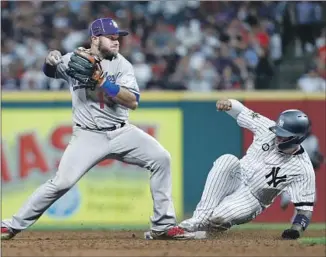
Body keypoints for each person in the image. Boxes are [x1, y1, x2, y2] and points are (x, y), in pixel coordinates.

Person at [1, 18, 194, 240]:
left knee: (161, 158)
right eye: (111, 38)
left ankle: (163, 225)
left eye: (117, 38)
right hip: (88, 135)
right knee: (61, 182)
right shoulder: (73, 59)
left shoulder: (122, 65)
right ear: (95, 39)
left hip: (122, 132)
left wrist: (103, 82)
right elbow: (50, 71)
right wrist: (50, 59)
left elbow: (132, 101)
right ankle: (11, 226)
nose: (116, 41)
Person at [179, 99, 316, 240]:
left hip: (252, 198)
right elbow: (242, 111)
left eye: (284, 135)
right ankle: (197, 220)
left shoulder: (302, 169)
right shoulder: (267, 128)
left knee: (218, 218)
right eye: (278, 131)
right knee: (227, 159)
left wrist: (296, 230)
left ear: (298, 138)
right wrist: (229, 104)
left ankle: (199, 235)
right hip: (237, 175)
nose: (278, 136)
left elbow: (305, 209)